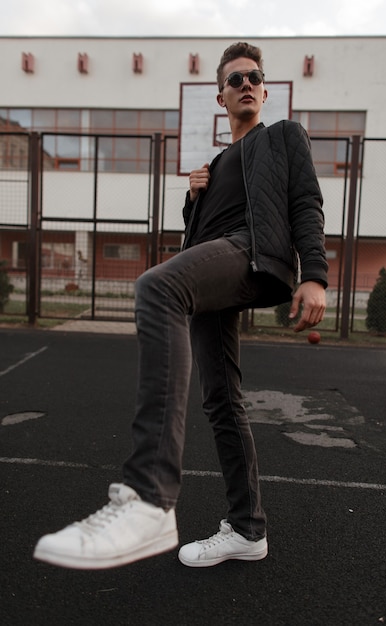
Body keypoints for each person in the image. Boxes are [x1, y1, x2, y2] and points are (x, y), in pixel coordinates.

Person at [33, 42, 327, 570]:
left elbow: (305, 201)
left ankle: (149, 500)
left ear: (263, 89)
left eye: (253, 77)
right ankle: (246, 528)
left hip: (252, 252)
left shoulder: (282, 137)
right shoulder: (214, 166)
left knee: (156, 287)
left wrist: (316, 275)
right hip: (216, 265)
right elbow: (197, 241)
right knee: (220, 400)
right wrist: (193, 200)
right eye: (235, 79)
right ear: (220, 96)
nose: (245, 84)